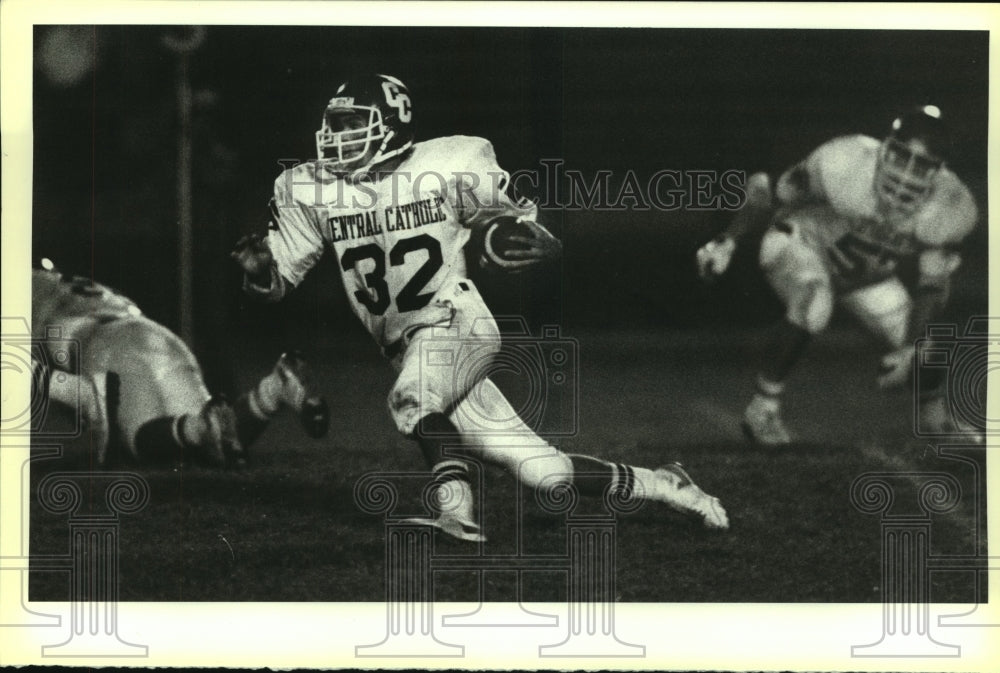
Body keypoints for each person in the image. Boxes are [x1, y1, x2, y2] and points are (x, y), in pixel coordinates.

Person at [232, 73, 728, 539]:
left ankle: (456, 514)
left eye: (352, 123)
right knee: (544, 472)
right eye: (334, 125)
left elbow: (523, 210)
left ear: (392, 121)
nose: (338, 136)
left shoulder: (448, 163)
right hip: (411, 349)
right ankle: (665, 483)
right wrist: (259, 270)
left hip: (456, 321)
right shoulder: (310, 188)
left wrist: (543, 238)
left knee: (411, 402)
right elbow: (280, 279)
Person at [696, 105, 981, 445]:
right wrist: (728, 239)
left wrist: (910, 347)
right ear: (884, 149)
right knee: (815, 300)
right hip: (801, 244)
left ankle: (935, 420)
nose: (906, 175)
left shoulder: (952, 208)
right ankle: (763, 410)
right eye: (902, 158)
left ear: (939, 174)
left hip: (866, 274)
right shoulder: (845, 162)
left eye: (920, 166)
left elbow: (933, 286)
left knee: (928, 345)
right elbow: (765, 188)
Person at [31, 259, 329, 468]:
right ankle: (275, 389)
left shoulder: (24, 287)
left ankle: (200, 426)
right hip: (157, 335)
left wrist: (75, 396)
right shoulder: (75, 284)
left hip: (103, 345)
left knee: (142, 440)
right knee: (210, 444)